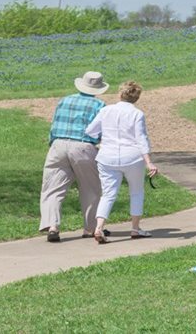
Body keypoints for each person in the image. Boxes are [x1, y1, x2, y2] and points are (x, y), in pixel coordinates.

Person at [39, 71, 111, 243]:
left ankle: (52, 226)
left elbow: (54, 124)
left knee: (52, 188)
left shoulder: (65, 100)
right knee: (91, 188)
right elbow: (101, 130)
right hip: (83, 146)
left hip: (58, 144)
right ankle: (90, 227)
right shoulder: (99, 105)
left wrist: (53, 143)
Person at [85, 81, 159, 244]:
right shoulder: (137, 114)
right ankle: (135, 228)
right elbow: (141, 139)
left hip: (107, 156)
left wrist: (105, 139)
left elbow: (90, 131)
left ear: (120, 94)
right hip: (132, 157)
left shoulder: (106, 110)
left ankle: (98, 227)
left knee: (108, 194)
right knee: (136, 192)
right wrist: (149, 162)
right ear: (136, 98)